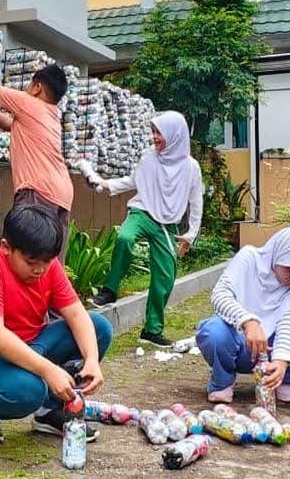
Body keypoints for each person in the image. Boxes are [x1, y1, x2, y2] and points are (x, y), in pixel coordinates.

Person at [0, 205, 113, 443]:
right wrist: (49, 370)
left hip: (30, 343)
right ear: (6, 247)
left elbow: (77, 313)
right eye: (31, 261)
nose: (40, 269)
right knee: (30, 390)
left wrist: (91, 361)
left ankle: (48, 413)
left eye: (47, 261)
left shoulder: (48, 267)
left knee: (99, 328)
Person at [86, 111, 204, 348]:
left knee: (165, 278)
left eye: (159, 132)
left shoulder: (191, 167)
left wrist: (191, 234)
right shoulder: (149, 157)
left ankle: (151, 330)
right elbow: (133, 181)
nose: (154, 137)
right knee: (125, 238)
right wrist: (105, 184)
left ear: (175, 135)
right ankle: (110, 289)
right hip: (142, 212)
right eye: (153, 132)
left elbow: (196, 200)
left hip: (167, 225)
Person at [196, 224, 290, 404]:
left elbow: (289, 318)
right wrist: (247, 321)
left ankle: (284, 380)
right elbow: (220, 295)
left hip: (272, 349)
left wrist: (282, 360)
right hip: (239, 344)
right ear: (279, 253)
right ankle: (222, 382)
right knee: (213, 330)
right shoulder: (250, 258)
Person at [0, 65, 72, 257]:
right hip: (62, 194)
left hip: (38, 190)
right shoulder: (51, 114)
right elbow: (8, 124)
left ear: (37, 87)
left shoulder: (30, 104)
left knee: (21, 254)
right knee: (49, 261)